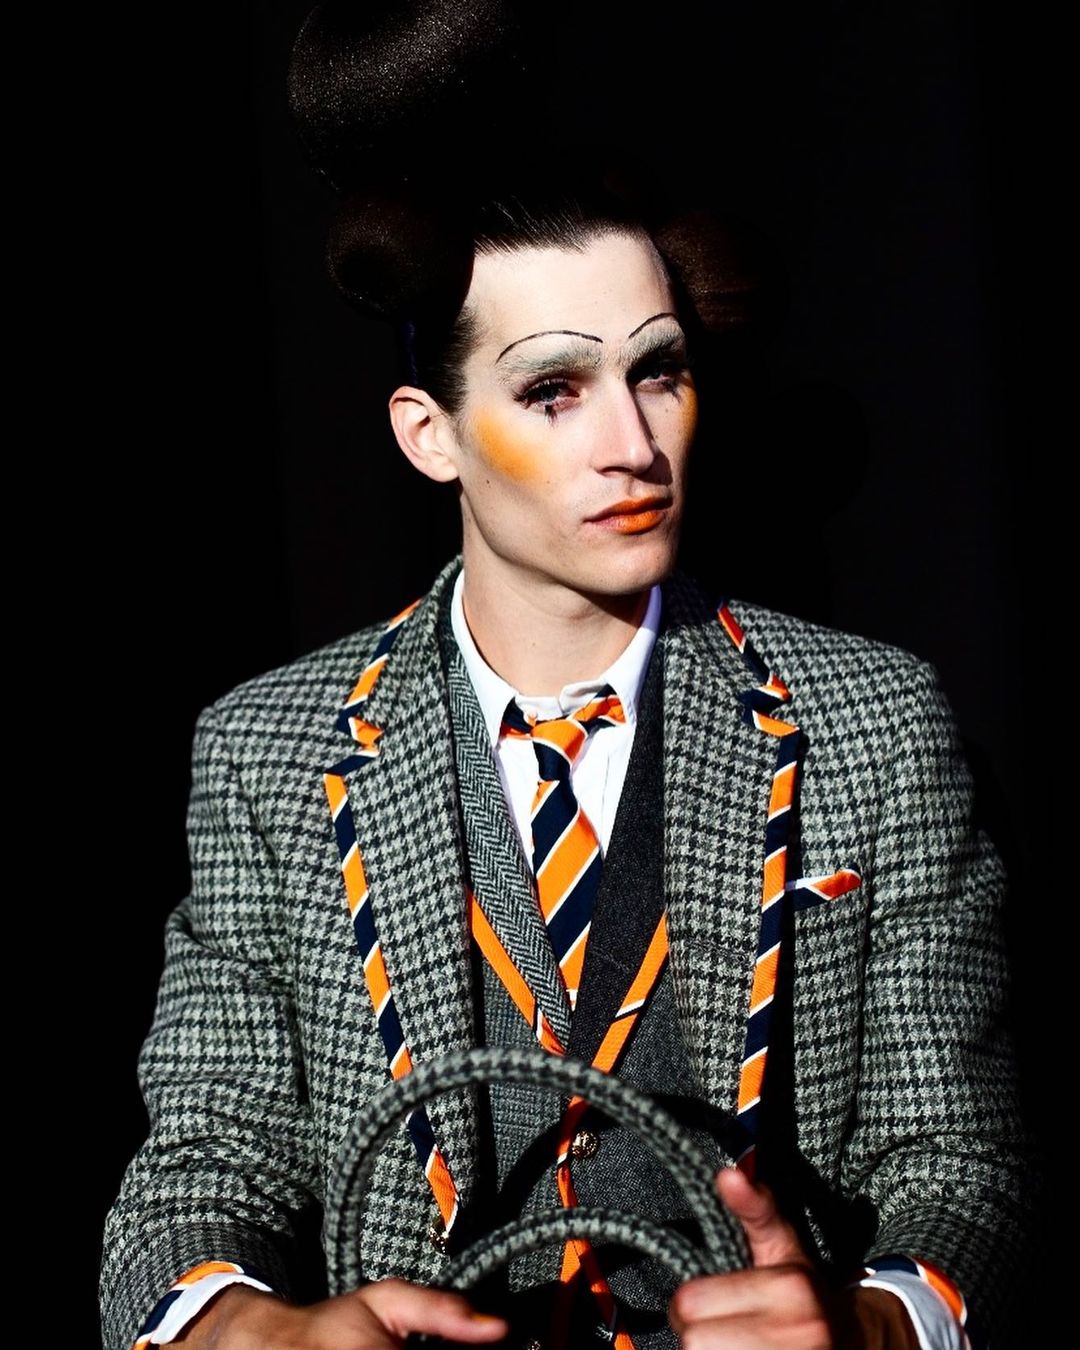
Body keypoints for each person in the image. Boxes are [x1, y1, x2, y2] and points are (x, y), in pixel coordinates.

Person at [99, 194, 1032, 1350]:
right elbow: (203, 1163)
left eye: (658, 372)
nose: (634, 444)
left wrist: (876, 1324)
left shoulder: (871, 725)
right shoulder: (271, 748)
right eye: (553, 390)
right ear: (429, 434)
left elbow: (962, 1164)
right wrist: (243, 1329)